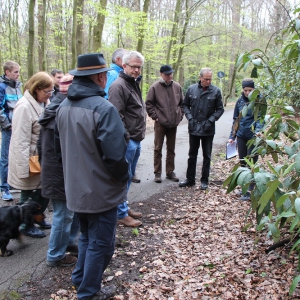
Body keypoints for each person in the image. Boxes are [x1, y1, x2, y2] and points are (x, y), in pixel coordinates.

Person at [56, 53, 129, 300]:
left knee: (87, 237)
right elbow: (116, 157)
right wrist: (123, 178)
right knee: (103, 244)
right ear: (100, 77)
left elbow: (58, 150)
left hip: (75, 187)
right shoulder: (103, 108)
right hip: (100, 191)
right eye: (105, 75)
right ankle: (88, 293)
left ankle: (81, 279)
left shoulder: (63, 106)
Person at [38, 73, 79, 267]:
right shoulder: (61, 111)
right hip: (59, 172)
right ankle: (55, 255)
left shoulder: (56, 107)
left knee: (70, 212)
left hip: (57, 170)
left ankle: (68, 243)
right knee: (63, 214)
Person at [8, 72, 53, 238]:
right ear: (37, 89)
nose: (49, 95)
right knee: (29, 194)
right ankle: (25, 225)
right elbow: (20, 140)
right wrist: (22, 169)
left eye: (51, 91)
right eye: (47, 91)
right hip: (29, 159)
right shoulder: (24, 107)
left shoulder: (44, 103)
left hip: (42, 157)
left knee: (43, 191)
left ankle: (38, 218)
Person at [109, 50, 146, 228]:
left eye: (139, 67)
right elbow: (117, 116)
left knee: (129, 176)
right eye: (133, 67)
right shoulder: (118, 85)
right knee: (123, 177)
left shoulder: (133, 83)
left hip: (136, 138)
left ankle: (124, 206)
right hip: (128, 140)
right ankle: (121, 213)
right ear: (124, 66)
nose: (137, 70)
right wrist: (127, 138)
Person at [179, 67, 224, 190]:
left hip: (208, 129)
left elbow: (220, 109)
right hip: (193, 127)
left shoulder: (216, 91)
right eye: (206, 79)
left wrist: (210, 121)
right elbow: (185, 105)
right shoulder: (191, 89)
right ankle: (190, 179)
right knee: (192, 154)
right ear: (200, 77)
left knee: (207, 156)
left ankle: (204, 180)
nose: (208, 81)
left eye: (210, 79)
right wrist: (190, 118)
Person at [146, 64, 183, 183]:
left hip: (173, 123)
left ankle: (170, 171)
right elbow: (149, 104)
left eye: (171, 73)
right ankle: (157, 173)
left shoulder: (177, 86)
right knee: (158, 148)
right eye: (167, 74)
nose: (170, 76)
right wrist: (156, 117)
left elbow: (182, 103)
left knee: (171, 148)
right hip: (160, 123)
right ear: (161, 74)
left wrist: (180, 116)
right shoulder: (155, 87)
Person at [228, 78, 263, 201]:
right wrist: (232, 136)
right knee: (243, 162)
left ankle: (250, 190)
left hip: (253, 137)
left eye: (250, 90)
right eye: (245, 90)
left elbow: (261, 118)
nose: (248, 92)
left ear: (254, 89)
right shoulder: (240, 101)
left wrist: (258, 131)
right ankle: (244, 188)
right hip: (241, 135)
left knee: (251, 163)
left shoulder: (260, 101)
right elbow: (235, 119)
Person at [0, 61, 22, 201]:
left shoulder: (18, 87)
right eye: (15, 72)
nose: (18, 75)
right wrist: (8, 125)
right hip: (9, 128)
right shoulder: (2, 87)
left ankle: (12, 182)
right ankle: (4, 187)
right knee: (6, 157)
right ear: (7, 72)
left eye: (19, 72)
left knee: (15, 155)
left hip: (18, 126)